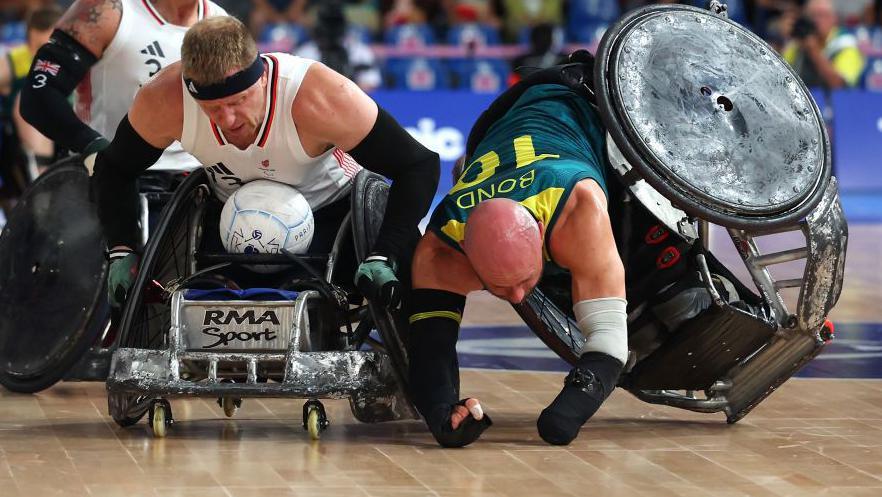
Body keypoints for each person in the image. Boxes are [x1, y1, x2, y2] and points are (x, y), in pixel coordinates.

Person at [90, 16, 439, 317]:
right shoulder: (165, 98)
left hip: (332, 217)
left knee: (414, 271)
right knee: (187, 295)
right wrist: (122, 247)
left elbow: (418, 165)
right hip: (229, 221)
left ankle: (437, 391)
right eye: (211, 108)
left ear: (260, 79)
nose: (226, 119)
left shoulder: (318, 95)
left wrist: (384, 252)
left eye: (237, 101)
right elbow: (113, 168)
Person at [407, 58, 626, 447]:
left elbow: (611, 343)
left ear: (541, 229)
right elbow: (429, 352)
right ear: (466, 256)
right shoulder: (441, 247)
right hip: (504, 127)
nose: (518, 297)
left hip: (590, 108)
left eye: (522, 281)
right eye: (499, 288)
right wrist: (444, 414)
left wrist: (565, 415)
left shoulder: (579, 208)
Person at [20, 0, 228, 170]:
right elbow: (38, 95)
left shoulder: (223, 25)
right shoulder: (107, 10)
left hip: (198, 179)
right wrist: (93, 147)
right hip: (112, 172)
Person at [0, 5, 61, 208]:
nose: (43, 57)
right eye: (37, 48)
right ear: (27, 43)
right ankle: (44, 190)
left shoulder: (80, 62)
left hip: (72, 137)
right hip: (21, 149)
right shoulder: (12, 62)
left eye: (49, 48)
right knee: (30, 98)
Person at [782, 0, 865, 89]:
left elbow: (840, 86)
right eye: (811, 16)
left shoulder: (846, 45)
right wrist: (783, 39)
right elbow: (781, 74)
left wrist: (813, 50)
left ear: (834, 18)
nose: (815, 21)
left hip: (835, 101)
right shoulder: (798, 44)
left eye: (821, 15)